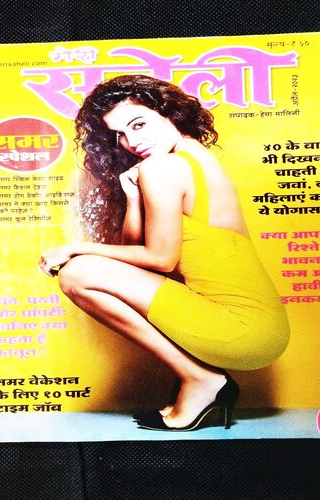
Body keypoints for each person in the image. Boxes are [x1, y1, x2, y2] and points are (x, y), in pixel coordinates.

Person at [39, 74, 290, 431]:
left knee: (77, 273)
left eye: (138, 124)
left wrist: (74, 247)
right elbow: (135, 258)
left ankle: (201, 379)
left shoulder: (164, 167)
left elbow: (159, 260)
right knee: (85, 270)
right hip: (262, 331)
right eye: (119, 135)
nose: (132, 142)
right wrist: (133, 197)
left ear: (169, 111)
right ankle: (202, 378)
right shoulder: (194, 158)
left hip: (242, 329)